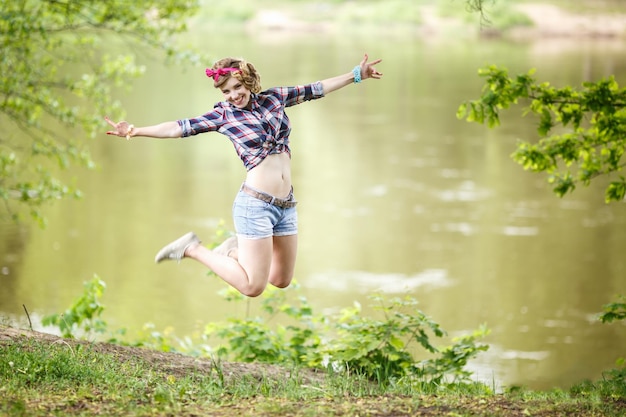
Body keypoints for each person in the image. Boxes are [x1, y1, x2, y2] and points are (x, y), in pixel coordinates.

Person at [105, 54, 383, 297]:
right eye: (226, 91)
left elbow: (317, 88)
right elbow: (178, 128)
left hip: (285, 205)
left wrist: (357, 75)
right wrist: (134, 130)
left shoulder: (274, 99)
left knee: (281, 280)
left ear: (249, 82)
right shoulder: (223, 115)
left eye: (237, 87)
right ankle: (193, 248)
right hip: (255, 205)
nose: (233, 95)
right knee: (253, 287)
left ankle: (234, 251)